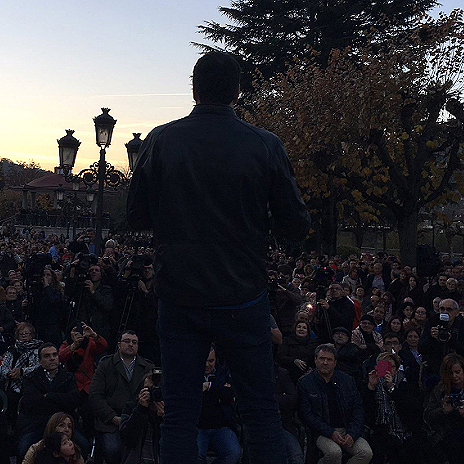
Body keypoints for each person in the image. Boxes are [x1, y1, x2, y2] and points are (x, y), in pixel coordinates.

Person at [126, 51, 310, 464]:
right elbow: (295, 222)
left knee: (178, 415)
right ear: (238, 90)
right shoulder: (265, 144)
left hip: (180, 293)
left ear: (193, 88)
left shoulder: (161, 139)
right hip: (241, 292)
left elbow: (134, 214)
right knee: (261, 411)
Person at [297, 344, 373, 464]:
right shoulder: (305, 382)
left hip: (347, 429)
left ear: (335, 362)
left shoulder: (348, 381)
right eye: (322, 359)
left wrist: (352, 434)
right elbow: (306, 414)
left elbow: (358, 410)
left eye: (329, 359)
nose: (325, 362)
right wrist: (330, 432)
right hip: (321, 432)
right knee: (334, 452)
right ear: (315, 360)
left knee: (365, 452)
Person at [88, 331, 154, 464]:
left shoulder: (148, 367)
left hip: (138, 420)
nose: (131, 345)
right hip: (111, 421)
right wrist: (113, 418)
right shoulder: (105, 365)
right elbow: (95, 396)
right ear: (119, 345)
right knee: (113, 449)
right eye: (127, 341)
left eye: (134, 342)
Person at [16, 343, 83, 460]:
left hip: (65, 425)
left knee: (83, 446)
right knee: (23, 449)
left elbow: (73, 401)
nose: (52, 358)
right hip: (37, 424)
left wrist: (49, 396)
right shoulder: (31, 378)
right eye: (47, 356)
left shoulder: (68, 377)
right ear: (40, 361)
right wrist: (60, 400)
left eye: (54, 355)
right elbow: (31, 403)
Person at [197, 347, 241, 464]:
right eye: (204, 360)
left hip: (221, 425)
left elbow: (230, 395)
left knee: (234, 453)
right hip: (198, 426)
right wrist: (219, 390)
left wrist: (209, 386)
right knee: (195, 454)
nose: (207, 365)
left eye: (211, 361)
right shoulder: (191, 373)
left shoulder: (224, 372)